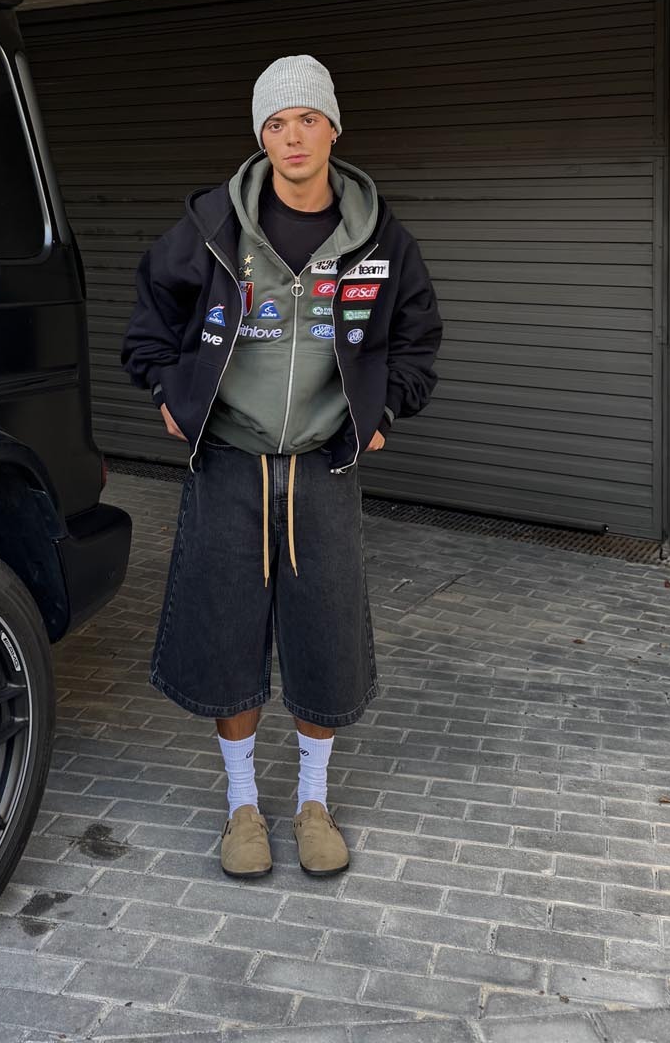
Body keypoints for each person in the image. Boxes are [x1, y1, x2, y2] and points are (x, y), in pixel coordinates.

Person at [122, 55, 442, 880]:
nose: (291, 137)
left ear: (333, 127)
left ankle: (311, 802)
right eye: (274, 123)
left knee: (324, 635)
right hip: (228, 460)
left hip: (322, 469)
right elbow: (150, 316)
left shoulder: (379, 238)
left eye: (306, 119)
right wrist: (166, 390)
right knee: (226, 630)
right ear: (260, 138)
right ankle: (241, 807)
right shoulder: (212, 227)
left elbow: (417, 336)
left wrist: (383, 414)